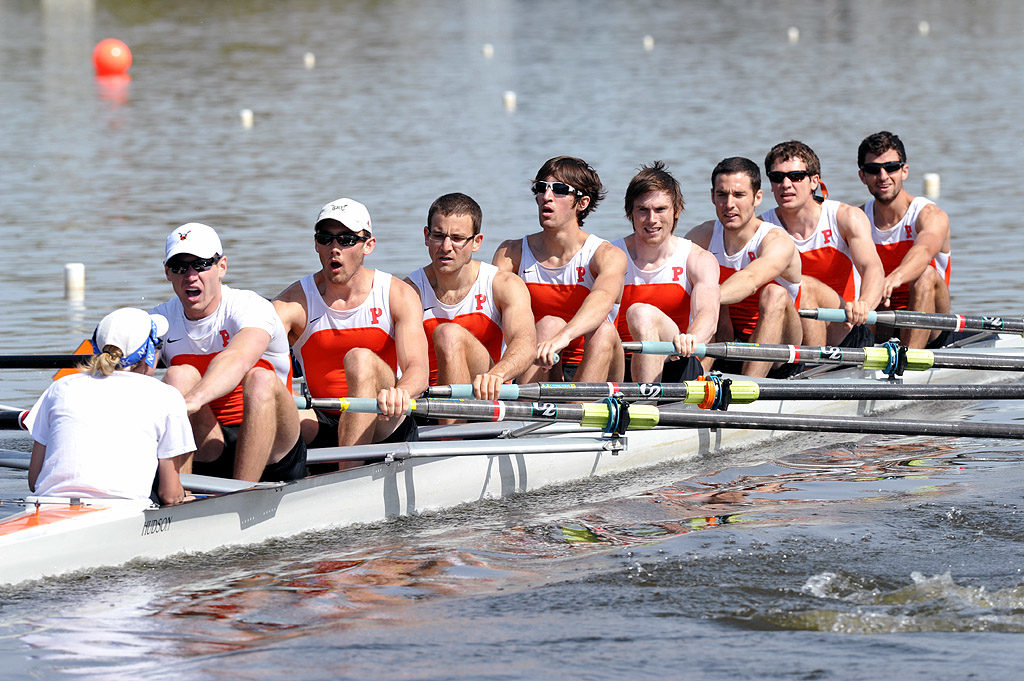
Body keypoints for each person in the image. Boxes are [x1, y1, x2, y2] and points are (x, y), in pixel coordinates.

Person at [152, 223, 306, 482]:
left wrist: (190, 401)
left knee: (260, 378)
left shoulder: (250, 307)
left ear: (221, 266)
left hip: (274, 446)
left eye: (201, 264)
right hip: (210, 442)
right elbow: (118, 364)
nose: (190, 276)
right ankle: (177, 496)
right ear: (167, 272)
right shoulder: (159, 319)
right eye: (180, 267)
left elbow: (237, 358)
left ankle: (241, 494)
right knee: (178, 376)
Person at [274, 199, 428, 451]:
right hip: (321, 417)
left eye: (345, 240)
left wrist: (402, 392)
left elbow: (418, 371)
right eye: (326, 239)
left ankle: (346, 468)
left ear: (368, 245)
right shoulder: (293, 302)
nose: (335, 248)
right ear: (316, 244)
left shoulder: (397, 294)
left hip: (383, 417)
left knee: (359, 359)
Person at [25, 308, 192, 505]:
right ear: (148, 353)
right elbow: (170, 495)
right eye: (158, 345)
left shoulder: (60, 387)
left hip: (46, 506)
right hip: (125, 511)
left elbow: (35, 480)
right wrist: (185, 497)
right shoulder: (166, 396)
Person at [492, 156, 626, 382]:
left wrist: (563, 337)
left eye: (560, 190)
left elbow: (603, 297)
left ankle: (578, 409)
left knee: (604, 331)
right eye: (541, 188)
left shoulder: (606, 255)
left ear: (582, 203)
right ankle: (526, 409)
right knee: (547, 325)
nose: (547, 197)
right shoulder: (511, 253)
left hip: (593, 362)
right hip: (538, 361)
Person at [405, 193, 536, 400]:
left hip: (487, 393)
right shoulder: (409, 291)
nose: (446, 247)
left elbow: (525, 345)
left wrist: (497, 375)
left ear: (476, 242)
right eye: (438, 236)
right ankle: (448, 428)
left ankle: (452, 431)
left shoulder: (503, 285)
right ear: (426, 236)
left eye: (457, 239)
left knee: (449, 334)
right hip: (428, 399)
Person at [686, 157, 803, 377]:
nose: (729, 204)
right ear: (712, 196)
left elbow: (750, 280)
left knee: (773, 293)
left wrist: (709, 296)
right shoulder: (701, 236)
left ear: (757, 197)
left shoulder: (776, 240)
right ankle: (689, 381)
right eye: (722, 194)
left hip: (779, 350)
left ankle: (750, 385)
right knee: (707, 288)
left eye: (739, 195)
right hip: (727, 340)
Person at [760, 140, 884, 347]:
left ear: (814, 181)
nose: (786, 184)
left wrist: (864, 304)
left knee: (804, 286)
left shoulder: (845, 217)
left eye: (796, 176)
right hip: (791, 329)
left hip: (844, 327)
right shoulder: (762, 228)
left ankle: (812, 369)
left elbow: (873, 268)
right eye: (777, 177)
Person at [611, 161, 720, 383]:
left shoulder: (697, 258)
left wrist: (692, 339)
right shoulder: (610, 256)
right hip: (619, 364)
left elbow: (707, 315)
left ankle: (646, 403)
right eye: (643, 210)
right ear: (630, 212)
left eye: (660, 209)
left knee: (642, 314)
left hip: (677, 361)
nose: (652, 220)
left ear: (677, 210)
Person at [857, 130, 952, 348]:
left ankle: (911, 359)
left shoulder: (929, 215)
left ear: (904, 171)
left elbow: (923, 251)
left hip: (931, 322)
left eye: (891, 168)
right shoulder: (857, 219)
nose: (883, 176)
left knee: (926, 273)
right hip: (881, 317)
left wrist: (894, 278)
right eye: (873, 170)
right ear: (863, 176)